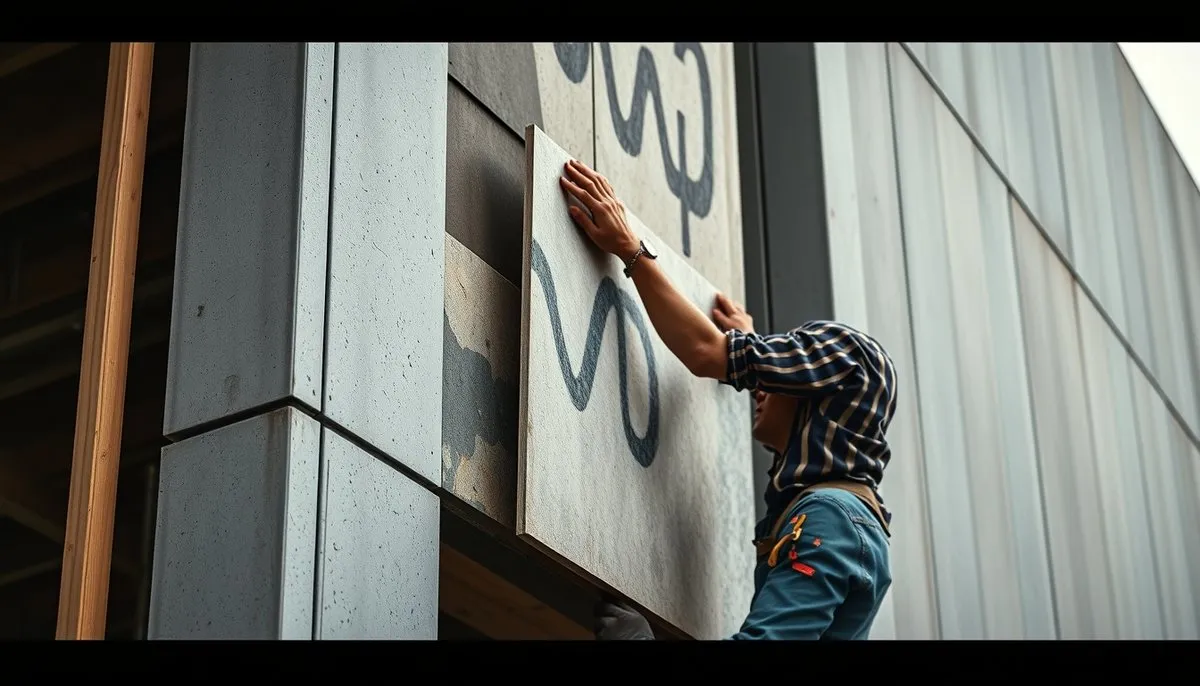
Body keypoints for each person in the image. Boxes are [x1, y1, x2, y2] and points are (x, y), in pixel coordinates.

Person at [559, 159, 896, 641]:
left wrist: (631, 249)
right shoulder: (851, 521)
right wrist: (756, 347)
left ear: (818, 401)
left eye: (787, 373)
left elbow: (704, 352)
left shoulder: (831, 518)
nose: (760, 389)